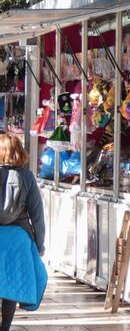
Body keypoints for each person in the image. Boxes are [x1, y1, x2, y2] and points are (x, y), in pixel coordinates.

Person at [0, 134, 46, 331]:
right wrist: (40, 243)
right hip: (18, 238)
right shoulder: (27, 177)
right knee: (11, 283)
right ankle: (5, 327)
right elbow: (37, 214)